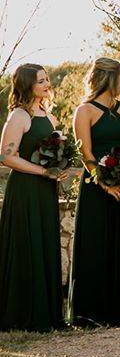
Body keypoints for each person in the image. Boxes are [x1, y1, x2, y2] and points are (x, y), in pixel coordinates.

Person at [69, 58, 120, 326]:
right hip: (96, 189)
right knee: (95, 246)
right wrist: (106, 184)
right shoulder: (84, 111)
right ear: (110, 79)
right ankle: (90, 314)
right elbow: (85, 154)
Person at [0, 64, 70, 331]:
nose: (46, 84)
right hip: (26, 190)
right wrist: (43, 170)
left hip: (45, 190)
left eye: (47, 79)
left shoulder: (47, 115)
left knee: (44, 244)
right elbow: (6, 156)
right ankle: (22, 315)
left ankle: (48, 315)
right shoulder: (19, 115)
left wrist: (59, 169)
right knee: (27, 244)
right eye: (40, 80)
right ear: (27, 85)